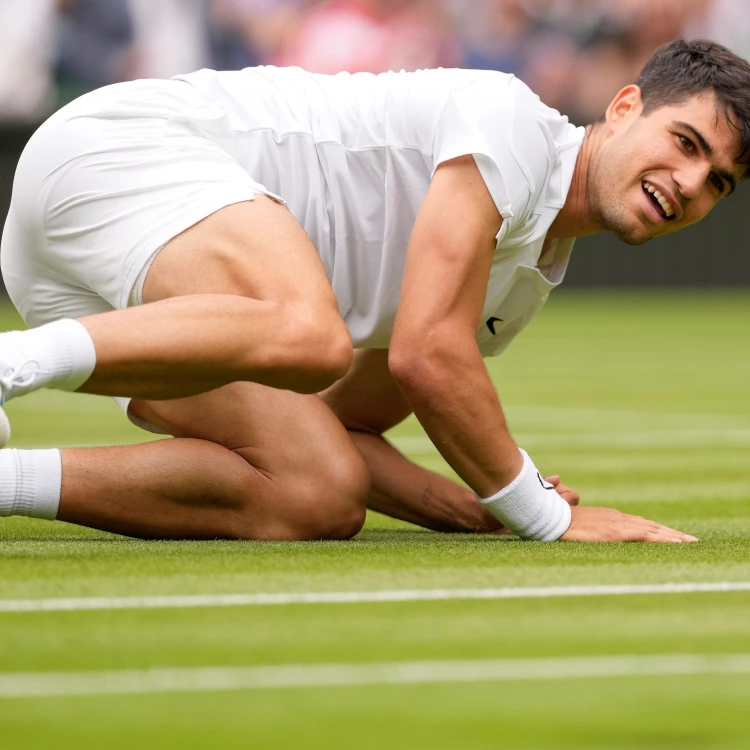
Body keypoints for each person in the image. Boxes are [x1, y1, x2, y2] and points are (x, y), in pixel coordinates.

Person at [1, 40, 747, 543]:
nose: (687, 185)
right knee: (309, 332)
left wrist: (469, 508)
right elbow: (426, 354)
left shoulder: (518, 287)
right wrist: (543, 517)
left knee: (317, 493)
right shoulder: (514, 124)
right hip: (115, 151)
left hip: (94, 288)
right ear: (623, 109)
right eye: (685, 142)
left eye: (716, 181)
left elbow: (342, 424)